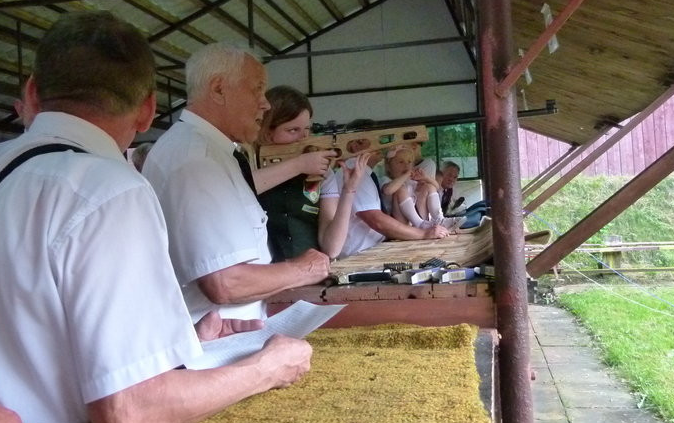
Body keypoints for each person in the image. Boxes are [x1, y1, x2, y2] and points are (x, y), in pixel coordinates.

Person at [0, 11, 311, 423]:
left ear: (33, 91)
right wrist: (267, 368)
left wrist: (173, 342)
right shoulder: (107, 189)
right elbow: (132, 411)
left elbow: (25, 324)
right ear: (148, 110)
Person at [143, 43, 331, 322]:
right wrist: (304, 269)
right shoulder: (197, 160)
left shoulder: (211, 152)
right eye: (257, 89)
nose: (265, 103)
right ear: (219, 89)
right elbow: (225, 283)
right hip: (216, 340)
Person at [255, 85, 370, 260]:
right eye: (293, 130)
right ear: (268, 132)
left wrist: (349, 190)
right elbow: (245, 185)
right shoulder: (252, 164)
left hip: (310, 271)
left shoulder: (321, 172)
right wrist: (299, 165)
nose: (304, 138)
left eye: (307, 129)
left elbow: (332, 248)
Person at [336, 139, 450, 258]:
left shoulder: (365, 173)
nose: (381, 144)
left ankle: (438, 218)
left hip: (375, 246)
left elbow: (434, 187)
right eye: (373, 139)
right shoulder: (354, 173)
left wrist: (425, 179)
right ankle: (421, 223)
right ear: (355, 146)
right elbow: (376, 220)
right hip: (361, 252)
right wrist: (423, 233)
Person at [380, 145, 462, 230]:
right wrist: (407, 174)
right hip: (398, 224)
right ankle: (419, 223)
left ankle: (439, 219)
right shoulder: (386, 180)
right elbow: (387, 191)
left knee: (428, 186)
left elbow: (436, 187)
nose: (406, 165)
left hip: (413, 223)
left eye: (409, 162)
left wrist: (425, 177)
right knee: (400, 189)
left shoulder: (410, 181)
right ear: (388, 167)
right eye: (401, 162)